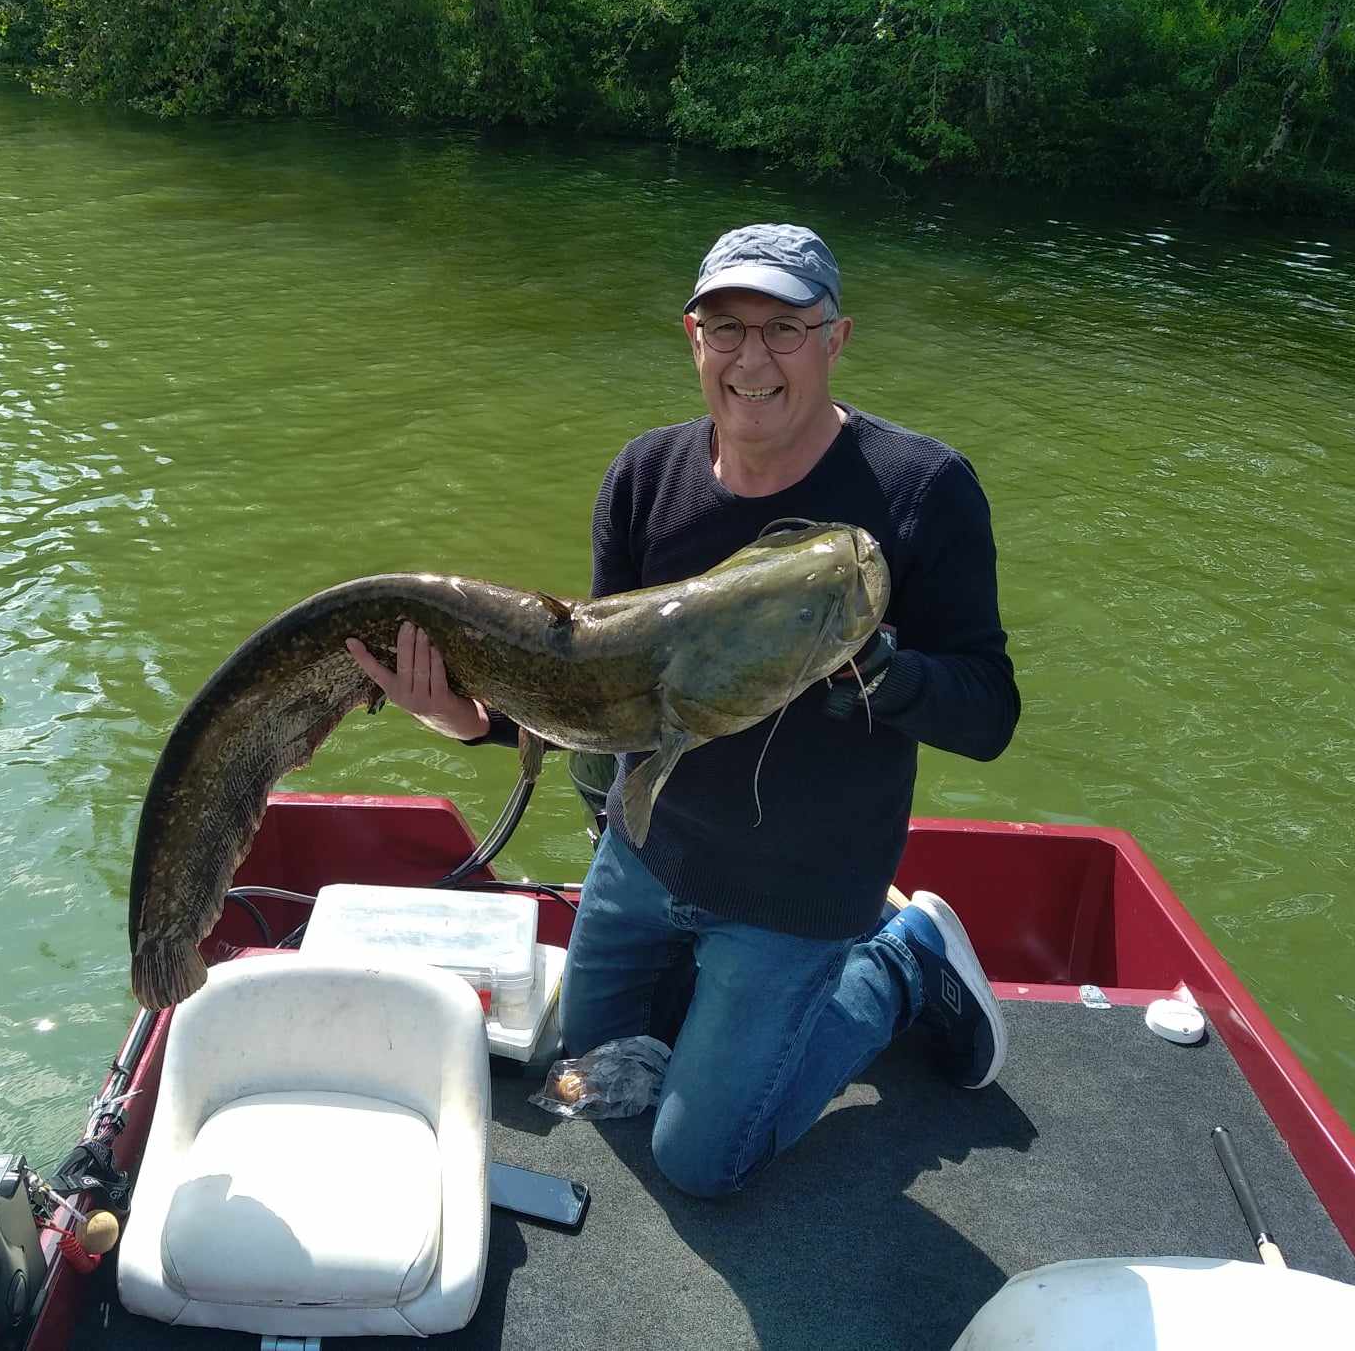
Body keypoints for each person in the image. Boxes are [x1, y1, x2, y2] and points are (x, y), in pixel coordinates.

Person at [347, 223, 1020, 1198]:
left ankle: (901, 964)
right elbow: (603, 692)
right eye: (724, 328)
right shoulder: (643, 476)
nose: (751, 358)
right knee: (598, 1071)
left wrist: (876, 667)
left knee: (695, 1159)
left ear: (834, 338)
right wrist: (469, 721)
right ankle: (718, 992)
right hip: (647, 846)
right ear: (691, 339)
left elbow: (987, 712)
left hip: (796, 888)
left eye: (783, 329)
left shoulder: (921, 493)